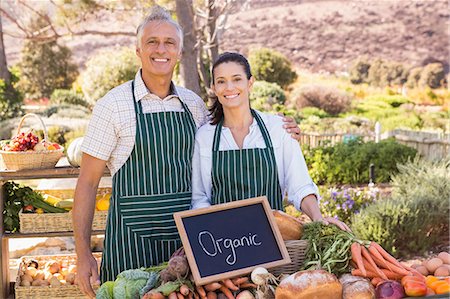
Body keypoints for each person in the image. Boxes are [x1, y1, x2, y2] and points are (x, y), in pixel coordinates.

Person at [72, 6, 301, 298]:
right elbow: (87, 183)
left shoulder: (193, 105)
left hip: (189, 245)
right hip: (131, 243)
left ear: (179, 52)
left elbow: (231, 135)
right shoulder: (113, 105)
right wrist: (83, 254)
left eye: (169, 42)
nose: (161, 49)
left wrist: (287, 133)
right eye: (152, 41)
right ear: (138, 49)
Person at [191, 52, 351, 232]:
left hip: (275, 241)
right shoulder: (205, 137)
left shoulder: (278, 129)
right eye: (221, 81)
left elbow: (300, 186)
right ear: (213, 87)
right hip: (225, 243)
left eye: (237, 79)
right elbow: (200, 198)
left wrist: (318, 218)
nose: (229, 87)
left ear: (250, 83)